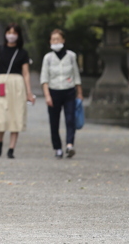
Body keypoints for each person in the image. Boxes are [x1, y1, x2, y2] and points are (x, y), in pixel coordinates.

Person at [0, 23, 35, 159]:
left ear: (18, 35)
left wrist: (29, 92)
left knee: (16, 115)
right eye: (9, 32)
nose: (11, 35)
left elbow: (26, 74)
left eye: (14, 33)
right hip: (1, 82)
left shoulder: (23, 53)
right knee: (0, 115)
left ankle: (11, 148)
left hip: (17, 84)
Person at [40, 29, 83, 159]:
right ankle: (57, 148)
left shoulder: (71, 56)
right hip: (53, 91)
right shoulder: (48, 58)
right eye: (53, 40)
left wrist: (79, 92)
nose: (56, 42)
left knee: (70, 119)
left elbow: (76, 74)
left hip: (69, 90)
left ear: (63, 40)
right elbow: (44, 78)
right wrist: (47, 95)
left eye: (58, 39)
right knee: (54, 122)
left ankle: (70, 144)